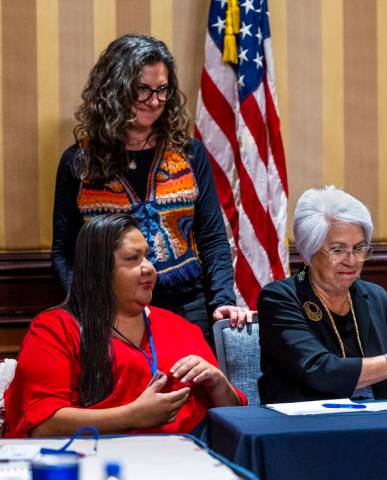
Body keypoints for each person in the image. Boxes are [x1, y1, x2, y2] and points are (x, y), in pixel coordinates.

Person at [51, 34, 252, 339]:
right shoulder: (79, 162)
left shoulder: (190, 154)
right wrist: (80, 306)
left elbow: (212, 239)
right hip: (109, 309)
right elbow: (64, 251)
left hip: (187, 307)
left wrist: (223, 299)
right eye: (142, 89)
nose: (155, 100)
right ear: (115, 90)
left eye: (162, 90)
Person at [4, 214, 245, 438]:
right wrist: (132, 417)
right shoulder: (54, 328)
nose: (149, 267)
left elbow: (235, 417)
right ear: (99, 270)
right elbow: (43, 424)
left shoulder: (180, 328)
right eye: (133, 259)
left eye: (147, 256)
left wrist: (218, 383)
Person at [258, 186, 387, 404]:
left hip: (372, 426)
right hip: (306, 428)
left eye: (359, 248)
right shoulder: (280, 298)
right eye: (338, 250)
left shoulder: (376, 297)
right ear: (309, 251)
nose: (351, 260)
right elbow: (321, 371)